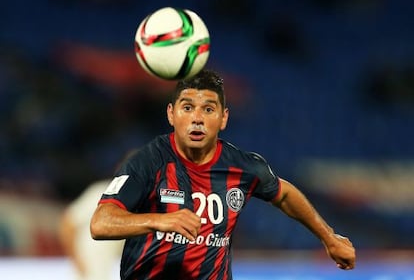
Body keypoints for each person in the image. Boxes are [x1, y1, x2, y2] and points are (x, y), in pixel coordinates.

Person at [90, 69, 356, 280]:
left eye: (208, 109)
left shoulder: (242, 167)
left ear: (223, 118)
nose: (197, 118)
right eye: (187, 108)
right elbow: (101, 223)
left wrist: (329, 237)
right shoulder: (148, 162)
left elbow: (283, 194)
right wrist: (159, 221)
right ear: (171, 114)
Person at [59, 180, 124, 280]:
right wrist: (76, 260)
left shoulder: (139, 199)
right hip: (89, 264)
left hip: (108, 266)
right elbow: (68, 223)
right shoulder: (102, 192)